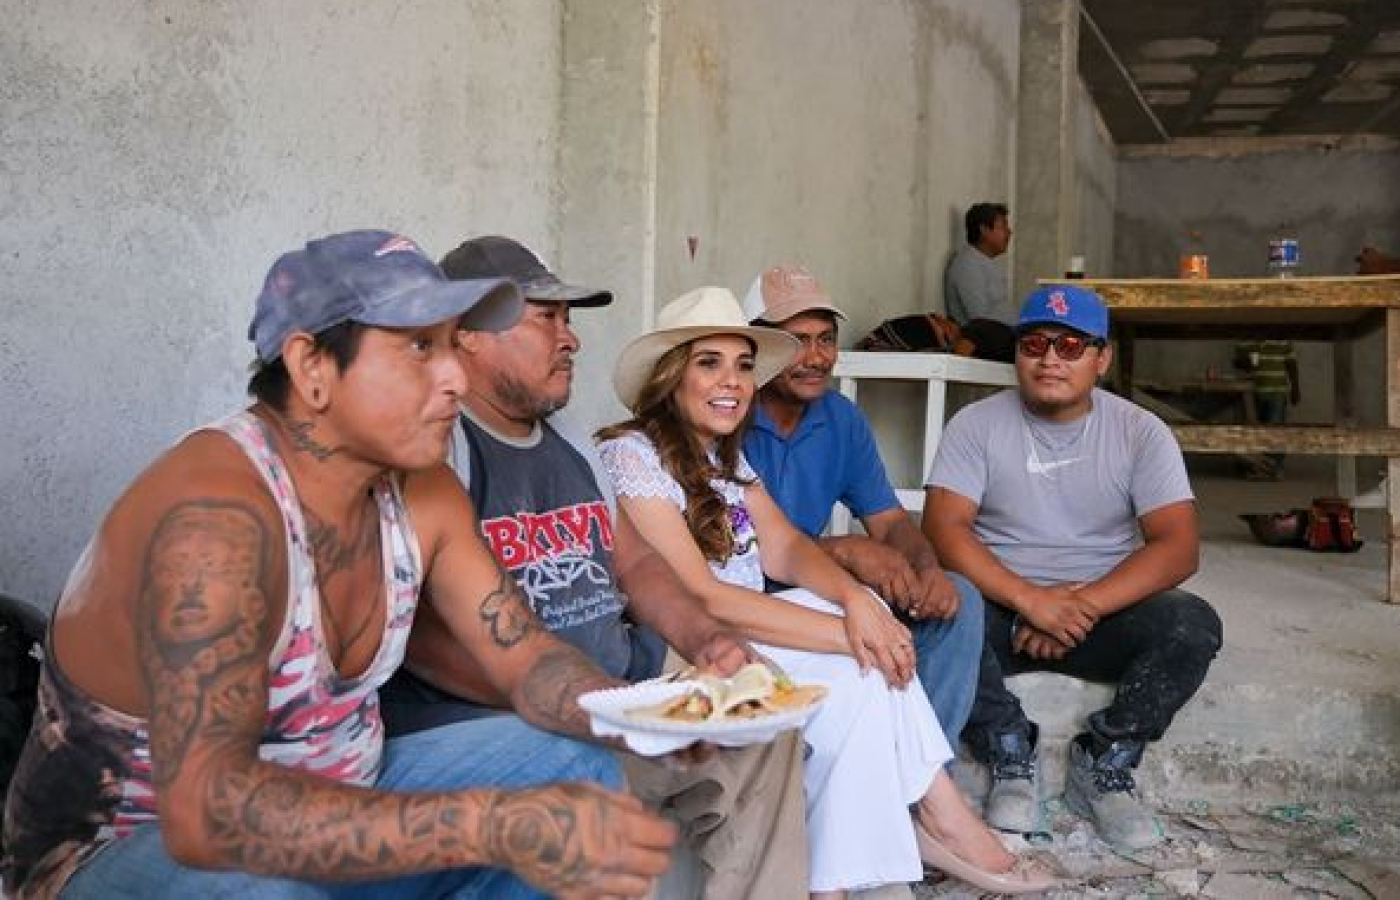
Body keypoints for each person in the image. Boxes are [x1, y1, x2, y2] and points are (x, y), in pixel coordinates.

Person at [1, 230, 679, 900]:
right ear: (312, 368)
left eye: (451, 344)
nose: (453, 375)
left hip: (341, 802)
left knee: (573, 764)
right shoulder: (213, 518)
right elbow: (206, 814)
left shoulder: (423, 489)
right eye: (419, 347)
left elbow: (527, 660)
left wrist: (654, 712)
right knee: (261, 891)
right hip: (129, 853)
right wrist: (489, 823)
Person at [378, 235, 810, 900]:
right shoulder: (444, 446)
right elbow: (420, 639)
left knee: (761, 723)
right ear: (467, 335)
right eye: (545, 316)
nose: (570, 337)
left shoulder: (571, 437)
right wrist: (590, 705)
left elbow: (635, 563)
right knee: (576, 767)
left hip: (609, 693)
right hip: (507, 722)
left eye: (569, 319)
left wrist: (706, 640)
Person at [596, 287, 1059, 899]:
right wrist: (851, 631)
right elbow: (701, 597)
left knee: (858, 655)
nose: (731, 381)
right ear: (671, 376)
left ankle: (849, 870)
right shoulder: (632, 454)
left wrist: (857, 604)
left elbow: (788, 548)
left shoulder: (722, 456)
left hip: (743, 630)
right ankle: (930, 818)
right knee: (858, 660)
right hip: (687, 645)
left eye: (741, 365)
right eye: (708, 363)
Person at [922, 284, 1223, 852]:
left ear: (1101, 358)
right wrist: (1029, 601)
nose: (1050, 359)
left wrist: (1075, 607)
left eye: (1070, 346)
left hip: (1101, 613)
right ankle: (1007, 746)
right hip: (1000, 610)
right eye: (1034, 343)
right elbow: (944, 529)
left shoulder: (1140, 432)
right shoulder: (976, 425)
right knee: (935, 613)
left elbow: (1178, 547)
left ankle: (1106, 758)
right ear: (1017, 353)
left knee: (1192, 624)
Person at [740, 265, 983, 743]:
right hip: (752, 595)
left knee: (958, 598)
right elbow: (734, 554)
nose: (815, 357)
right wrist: (844, 551)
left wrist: (926, 568)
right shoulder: (729, 411)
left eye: (826, 339)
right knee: (866, 616)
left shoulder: (841, 418)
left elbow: (890, 522)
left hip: (821, 587)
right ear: (761, 348)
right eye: (796, 341)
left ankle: (925, 768)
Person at [942, 202, 1016, 361]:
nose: (1010, 232)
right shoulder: (967, 264)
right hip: (986, 342)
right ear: (984, 230)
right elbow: (980, 319)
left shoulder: (987, 263)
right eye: (1003, 226)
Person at [1232, 340, 1299, 479]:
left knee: (1275, 430)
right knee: (1254, 429)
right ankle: (1259, 466)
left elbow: (1291, 364)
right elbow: (1237, 362)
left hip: (1277, 391)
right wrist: (1245, 363)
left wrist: (1295, 388)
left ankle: (1275, 467)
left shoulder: (1282, 340)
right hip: (1252, 392)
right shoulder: (1246, 340)